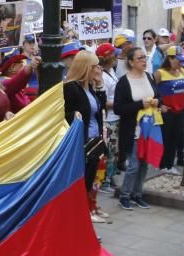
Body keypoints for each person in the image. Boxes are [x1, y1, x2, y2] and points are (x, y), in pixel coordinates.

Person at [63, 51, 108, 223]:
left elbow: (99, 108)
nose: (98, 69)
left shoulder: (88, 87)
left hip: (94, 141)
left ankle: (84, 218)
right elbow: (63, 113)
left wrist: (100, 85)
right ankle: (79, 221)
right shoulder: (71, 88)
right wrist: (73, 114)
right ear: (86, 68)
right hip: (82, 144)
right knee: (81, 184)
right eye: (95, 66)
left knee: (90, 183)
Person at [114, 47, 159, 212]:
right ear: (131, 62)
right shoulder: (124, 82)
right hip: (133, 129)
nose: (144, 60)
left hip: (150, 127)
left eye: (144, 58)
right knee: (133, 164)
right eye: (140, 58)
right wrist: (140, 105)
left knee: (145, 164)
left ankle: (137, 194)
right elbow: (119, 108)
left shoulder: (149, 76)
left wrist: (156, 102)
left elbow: (157, 95)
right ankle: (124, 195)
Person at [155, 45, 184, 174]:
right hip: (167, 112)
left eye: (182, 60)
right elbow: (153, 91)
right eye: (178, 60)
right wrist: (159, 106)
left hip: (180, 111)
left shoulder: (183, 72)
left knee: (177, 139)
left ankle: (170, 165)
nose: (180, 63)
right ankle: (162, 165)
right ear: (170, 58)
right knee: (166, 139)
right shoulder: (160, 73)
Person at [96, 42, 120, 195]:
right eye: (114, 54)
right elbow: (103, 101)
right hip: (108, 119)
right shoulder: (103, 76)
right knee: (109, 151)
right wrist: (120, 103)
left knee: (114, 151)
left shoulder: (111, 71)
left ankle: (110, 178)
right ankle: (105, 181)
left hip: (115, 116)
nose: (117, 57)